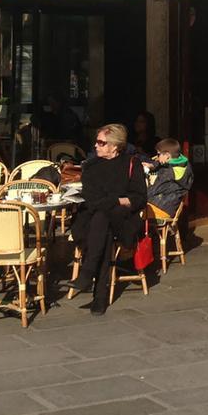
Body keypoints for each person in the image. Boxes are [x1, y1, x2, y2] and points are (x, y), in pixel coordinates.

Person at [64, 124, 147, 315]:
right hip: (95, 215)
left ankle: (88, 274)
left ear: (115, 146)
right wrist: (113, 202)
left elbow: (140, 198)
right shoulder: (91, 166)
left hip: (122, 217)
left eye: (101, 142)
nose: (96, 146)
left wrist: (116, 200)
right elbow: (92, 198)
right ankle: (98, 297)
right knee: (103, 227)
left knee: (102, 222)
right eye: (97, 141)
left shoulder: (131, 164)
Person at [144, 138, 194, 217]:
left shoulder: (167, 173)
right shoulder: (185, 164)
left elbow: (151, 192)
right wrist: (153, 165)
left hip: (160, 208)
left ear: (167, 155)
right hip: (170, 207)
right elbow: (166, 163)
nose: (157, 157)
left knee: (133, 210)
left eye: (158, 154)